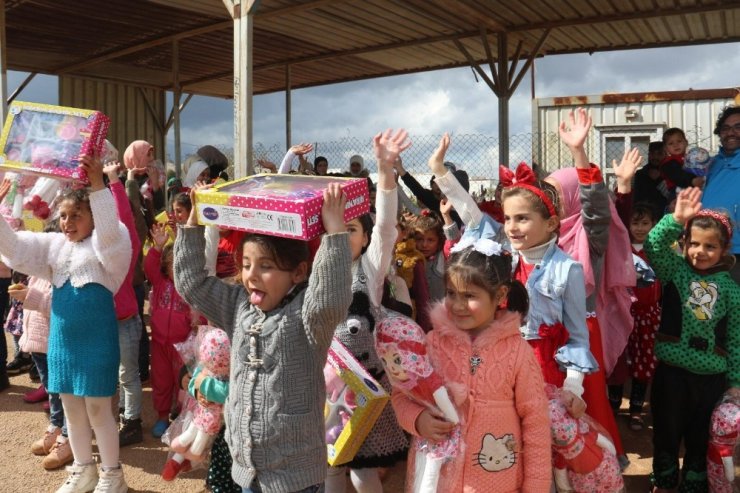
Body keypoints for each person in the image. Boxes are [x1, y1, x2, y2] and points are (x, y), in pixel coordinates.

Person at [174, 178, 353, 492]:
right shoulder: (239, 306)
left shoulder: (306, 317)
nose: (251, 274)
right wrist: (193, 223)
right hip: (246, 470)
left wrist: (335, 234)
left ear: (298, 272)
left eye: (266, 266)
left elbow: (328, 299)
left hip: (294, 478)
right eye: (246, 264)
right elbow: (193, 284)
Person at [0, 154, 132, 493]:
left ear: (93, 218)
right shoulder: (54, 246)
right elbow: (14, 249)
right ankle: (84, 470)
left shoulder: (110, 247)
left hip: (97, 340)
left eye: (77, 215)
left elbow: (111, 236)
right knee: (72, 409)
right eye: (63, 216)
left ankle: (112, 475)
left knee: (99, 409)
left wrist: (100, 187)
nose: (68, 222)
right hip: (62, 341)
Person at [391, 238, 551, 492]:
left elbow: (536, 423)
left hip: (496, 480)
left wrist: (536, 487)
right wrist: (418, 419)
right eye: (452, 294)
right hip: (437, 479)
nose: (457, 305)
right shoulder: (431, 344)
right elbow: (402, 396)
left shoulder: (518, 352)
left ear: (499, 295)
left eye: (469, 296)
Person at [544, 109, 634, 461]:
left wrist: (579, 154)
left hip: (581, 332)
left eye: (555, 193)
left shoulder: (589, 235)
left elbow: (595, 207)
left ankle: (598, 469)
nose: (549, 201)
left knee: (588, 404)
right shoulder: (547, 236)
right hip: (549, 331)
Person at [325, 129, 411, 493]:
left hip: (365, 388)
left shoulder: (370, 272)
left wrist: (384, 171)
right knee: (329, 466)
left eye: (353, 229)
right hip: (326, 387)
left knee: (362, 471)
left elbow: (387, 229)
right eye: (337, 229)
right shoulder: (317, 272)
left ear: (364, 236)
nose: (345, 237)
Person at [645, 187, 740, 493]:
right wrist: (675, 219)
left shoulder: (731, 289)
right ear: (684, 244)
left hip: (711, 377)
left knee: (700, 434)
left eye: (710, 246)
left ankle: (695, 480)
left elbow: (736, 339)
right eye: (694, 244)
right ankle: (665, 476)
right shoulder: (674, 270)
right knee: (666, 429)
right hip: (671, 373)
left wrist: (735, 381)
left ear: (724, 250)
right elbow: (653, 244)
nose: (700, 251)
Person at [146, 223, 203, 438]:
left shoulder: (190, 288)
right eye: (172, 264)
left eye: (180, 264)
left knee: (183, 384)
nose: (176, 269)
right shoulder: (160, 283)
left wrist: (197, 329)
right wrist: (157, 247)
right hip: (160, 344)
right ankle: (162, 417)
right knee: (160, 381)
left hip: (182, 347)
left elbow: (200, 315)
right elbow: (150, 266)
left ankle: (182, 419)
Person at [15, 268, 73, 470]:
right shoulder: (36, 275)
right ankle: (56, 427)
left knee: (65, 393)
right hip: (38, 345)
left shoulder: (61, 276)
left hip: (55, 346)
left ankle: (67, 437)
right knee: (51, 391)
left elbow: (58, 307)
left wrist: (28, 296)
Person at [104, 163, 145, 448]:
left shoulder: (126, 254)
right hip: (105, 323)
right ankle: (121, 414)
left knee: (128, 374)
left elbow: (127, 221)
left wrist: (114, 181)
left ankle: (132, 422)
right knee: (115, 375)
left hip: (126, 321)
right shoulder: (98, 256)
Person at [702, 105, 740, 283]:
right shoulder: (710, 165)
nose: (731, 132)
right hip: (707, 249)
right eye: (725, 128)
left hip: (736, 253)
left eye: (738, 127)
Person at [660, 128, 704, 203]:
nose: (676, 145)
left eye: (679, 141)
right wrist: (692, 180)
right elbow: (677, 175)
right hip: (676, 193)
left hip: (694, 190)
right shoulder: (668, 163)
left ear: (686, 142)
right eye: (671, 143)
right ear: (665, 148)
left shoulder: (691, 157)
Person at [634, 141, 668, 216]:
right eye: (652, 153)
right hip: (644, 216)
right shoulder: (640, 174)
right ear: (649, 155)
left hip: (666, 215)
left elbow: (672, 196)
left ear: (665, 155)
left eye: (659, 154)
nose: (655, 157)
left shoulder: (671, 172)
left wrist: (660, 180)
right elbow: (636, 199)